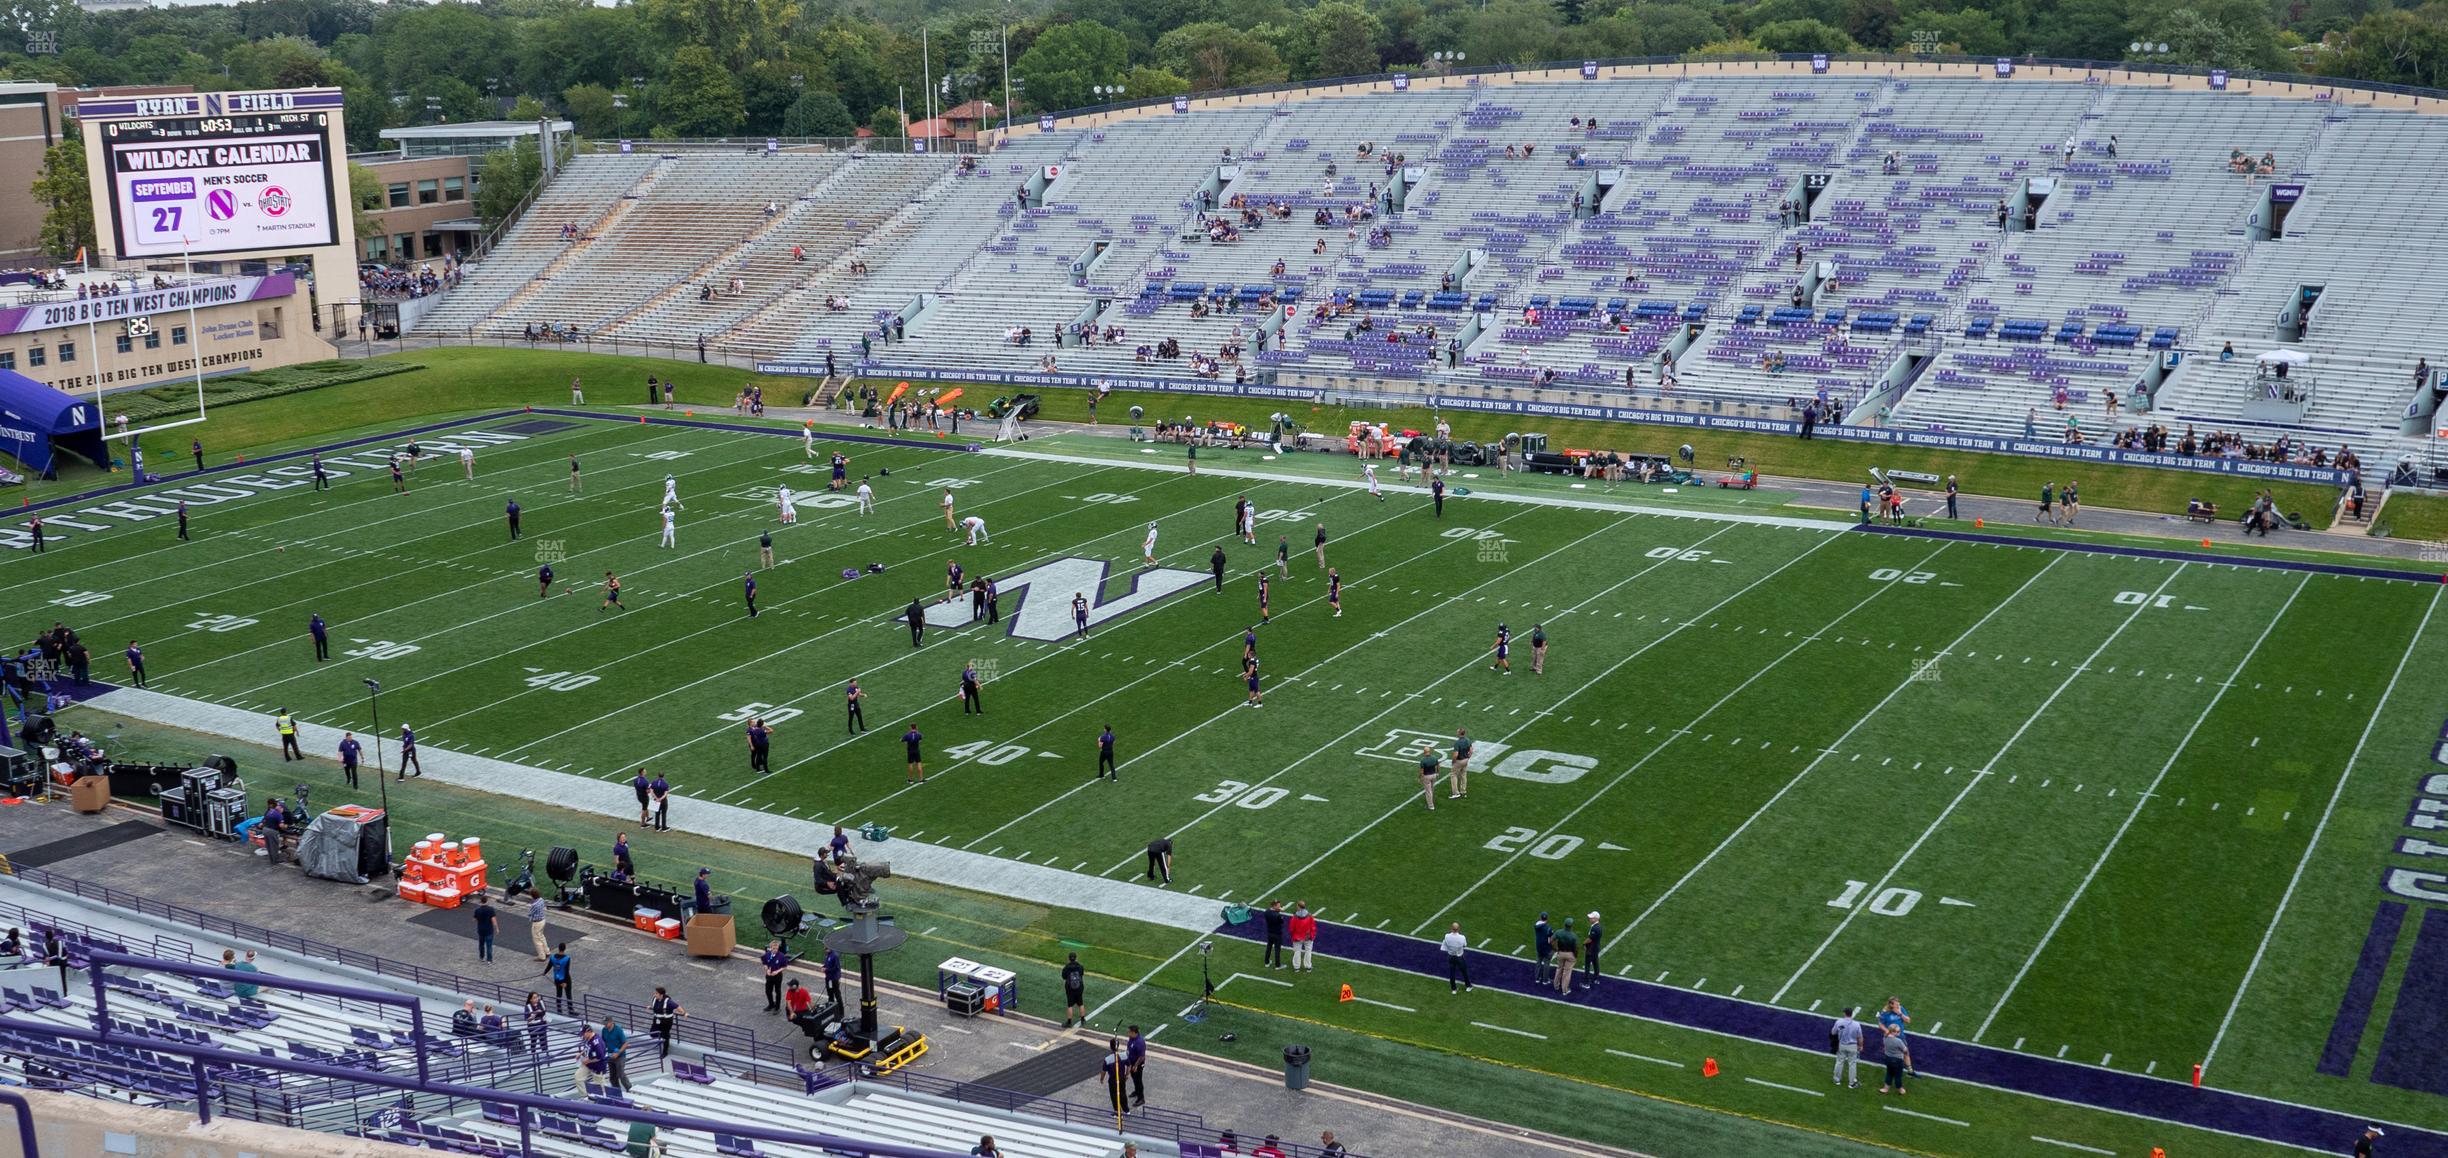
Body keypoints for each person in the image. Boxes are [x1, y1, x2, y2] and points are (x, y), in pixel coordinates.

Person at [1831, 1006, 1864, 1088]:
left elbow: (1833, 1032)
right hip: (1853, 1046)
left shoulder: (1839, 1022)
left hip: (1842, 1045)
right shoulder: (1857, 1024)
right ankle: (1851, 1083)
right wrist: (1861, 1046)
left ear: (1844, 1013)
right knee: (1852, 1064)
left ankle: (1836, 1079)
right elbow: (1860, 1037)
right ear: (1851, 1014)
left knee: (1839, 1062)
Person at [649, 987, 684, 1059]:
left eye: (656, 993)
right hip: (657, 1019)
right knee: (652, 1033)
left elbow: (679, 1008)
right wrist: (650, 1007)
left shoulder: (668, 1002)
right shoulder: (655, 999)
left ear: (661, 995)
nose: (655, 994)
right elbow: (657, 1008)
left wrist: (683, 1013)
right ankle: (664, 1035)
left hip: (666, 1021)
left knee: (665, 1036)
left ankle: (665, 1052)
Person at [1877, 1024, 1911, 1094]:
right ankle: (1900, 1090)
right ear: (1892, 1032)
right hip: (1897, 1060)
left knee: (1889, 1073)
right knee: (1898, 1075)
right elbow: (1905, 1050)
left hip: (1888, 1058)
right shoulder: (1898, 1041)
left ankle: (1885, 1089)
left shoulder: (1885, 1037)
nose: (1899, 1032)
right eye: (1897, 1031)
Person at [1549, 916, 1578, 995]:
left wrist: (1555, 949)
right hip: (1570, 954)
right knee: (1567, 972)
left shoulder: (1559, 932)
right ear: (1571, 926)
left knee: (1559, 969)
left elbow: (1551, 940)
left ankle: (1556, 985)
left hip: (1560, 953)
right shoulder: (1573, 936)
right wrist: (1575, 956)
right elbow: (1575, 948)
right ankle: (1564, 990)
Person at [1441, 922, 1472, 992]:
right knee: (1464, 971)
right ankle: (1468, 986)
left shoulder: (1447, 936)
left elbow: (1444, 945)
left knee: (1452, 972)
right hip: (1459, 957)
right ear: (1458, 929)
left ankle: (1453, 989)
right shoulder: (1462, 937)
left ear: (1451, 928)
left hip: (1451, 956)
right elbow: (1464, 945)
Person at [1125, 1025, 1148, 1108]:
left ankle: (1141, 1098)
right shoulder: (1132, 1039)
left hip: (1137, 1064)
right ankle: (1137, 1091)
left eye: (1129, 1032)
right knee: (1134, 1078)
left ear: (1134, 1032)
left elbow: (1142, 1057)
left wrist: (1135, 1066)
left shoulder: (1140, 1042)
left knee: (1138, 1080)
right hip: (1132, 1062)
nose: (1128, 1033)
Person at [472, 891, 498, 962]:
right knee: (489, 945)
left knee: (481, 944)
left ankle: (481, 957)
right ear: (487, 901)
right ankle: (489, 960)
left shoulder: (477, 910)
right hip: (489, 930)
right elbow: (493, 920)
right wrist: (497, 928)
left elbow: (474, 919)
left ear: (481, 901)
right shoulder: (490, 910)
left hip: (480, 930)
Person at [1062, 952, 1087, 1027]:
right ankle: (1083, 1020)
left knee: (1070, 1005)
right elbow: (1082, 974)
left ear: (1069, 959)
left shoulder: (1066, 967)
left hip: (1070, 988)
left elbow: (1064, 977)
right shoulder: (1080, 966)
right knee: (1080, 1003)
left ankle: (1069, 1022)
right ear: (1076, 958)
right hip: (1079, 988)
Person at [1261, 901, 1288, 969]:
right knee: (1277, 950)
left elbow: (1272, 913)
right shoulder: (1278, 915)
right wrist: (1279, 912)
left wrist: (1277, 911)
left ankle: (1266, 962)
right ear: (1274, 906)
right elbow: (1281, 921)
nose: (1280, 907)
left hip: (1270, 932)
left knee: (1269, 947)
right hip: (1277, 934)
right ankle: (1278, 965)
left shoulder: (1266, 911)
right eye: (1278, 906)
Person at [527, 893, 551, 962]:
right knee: (541, 936)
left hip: (537, 923)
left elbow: (530, 913)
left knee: (536, 939)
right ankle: (547, 952)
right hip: (543, 920)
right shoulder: (541, 900)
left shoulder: (534, 905)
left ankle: (541, 956)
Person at [1450, 729, 1473, 799]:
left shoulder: (1457, 743)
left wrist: (1453, 761)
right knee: (1463, 775)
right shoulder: (1468, 740)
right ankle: (1463, 790)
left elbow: (1456, 754)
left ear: (1459, 733)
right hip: (1466, 760)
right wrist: (1468, 757)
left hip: (1459, 761)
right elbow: (1471, 751)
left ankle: (1456, 793)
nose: (1456, 733)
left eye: (1457, 732)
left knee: (1453, 775)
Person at [1583, 911, 1602, 986]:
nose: (1589, 919)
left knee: (1587, 965)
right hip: (1595, 948)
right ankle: (1596, 979)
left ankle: (1586, 983)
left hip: (1591, 949)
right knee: (1595, 963)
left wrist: (1584, 943)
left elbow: (1590, 939)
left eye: (1591, 918)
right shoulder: (1597, 927)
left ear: (1596, 919)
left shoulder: (1595, 928)